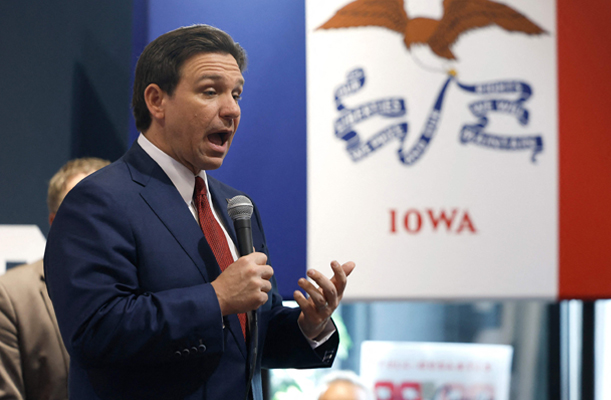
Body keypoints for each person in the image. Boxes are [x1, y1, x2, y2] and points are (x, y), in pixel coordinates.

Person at [44, 24, 355, 400]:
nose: (232, 109)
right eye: (210, 92)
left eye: (237, 94)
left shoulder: (236, 208)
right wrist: (216, 298)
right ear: (156, 101)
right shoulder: (98, 201)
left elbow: (245, 342)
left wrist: (310, 323)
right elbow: (94, 331)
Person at [0, 157, 109, 400]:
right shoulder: (12, 296)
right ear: (54, 223)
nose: (97, 225)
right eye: (83, 211)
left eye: (108, 212)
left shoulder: (151, 289)